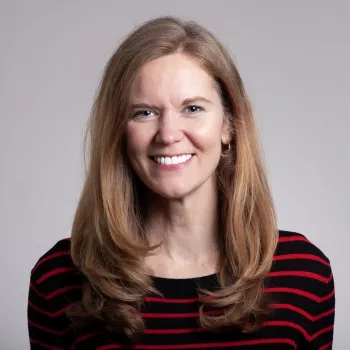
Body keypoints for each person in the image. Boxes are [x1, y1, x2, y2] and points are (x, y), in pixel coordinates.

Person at [27, 16, 335, 349]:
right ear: (119, 132)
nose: (169, 134)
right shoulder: (58, 280)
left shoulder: (304, 275)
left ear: (228, 126)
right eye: (144, 112)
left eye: (192, 108)